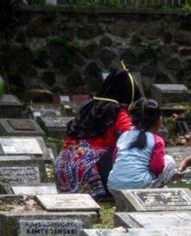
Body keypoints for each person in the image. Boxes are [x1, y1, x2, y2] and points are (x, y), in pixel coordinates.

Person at [54, 68, 140, 198]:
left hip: (62, 170)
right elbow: (132, 137)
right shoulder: (117, 111)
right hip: (89, 172)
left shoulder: (87, 107)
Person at [108, 98, 176, 191]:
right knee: (170, 161)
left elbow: (115, 160)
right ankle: (153, 190)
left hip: (114, 187)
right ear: (158, 120)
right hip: (139, 187)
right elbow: (157, 168)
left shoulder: (124, 135)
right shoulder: (157, 140)